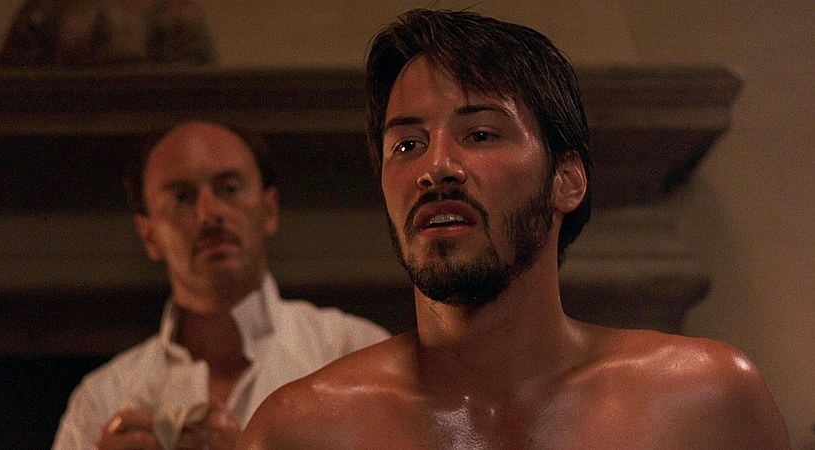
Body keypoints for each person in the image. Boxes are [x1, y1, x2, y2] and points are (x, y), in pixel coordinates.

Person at [238, 9, 791, 449]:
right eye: (407, 144)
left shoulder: (704, 401)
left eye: (479, 135)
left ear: (566, 180)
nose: (436, 167)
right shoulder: (303, 432)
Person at [52, 120, 390, 449]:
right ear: (149, 235)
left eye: (229, 189)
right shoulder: (100, 400)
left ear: (270, 209)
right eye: (182, 197)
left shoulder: (356, 354)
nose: (209, 213)